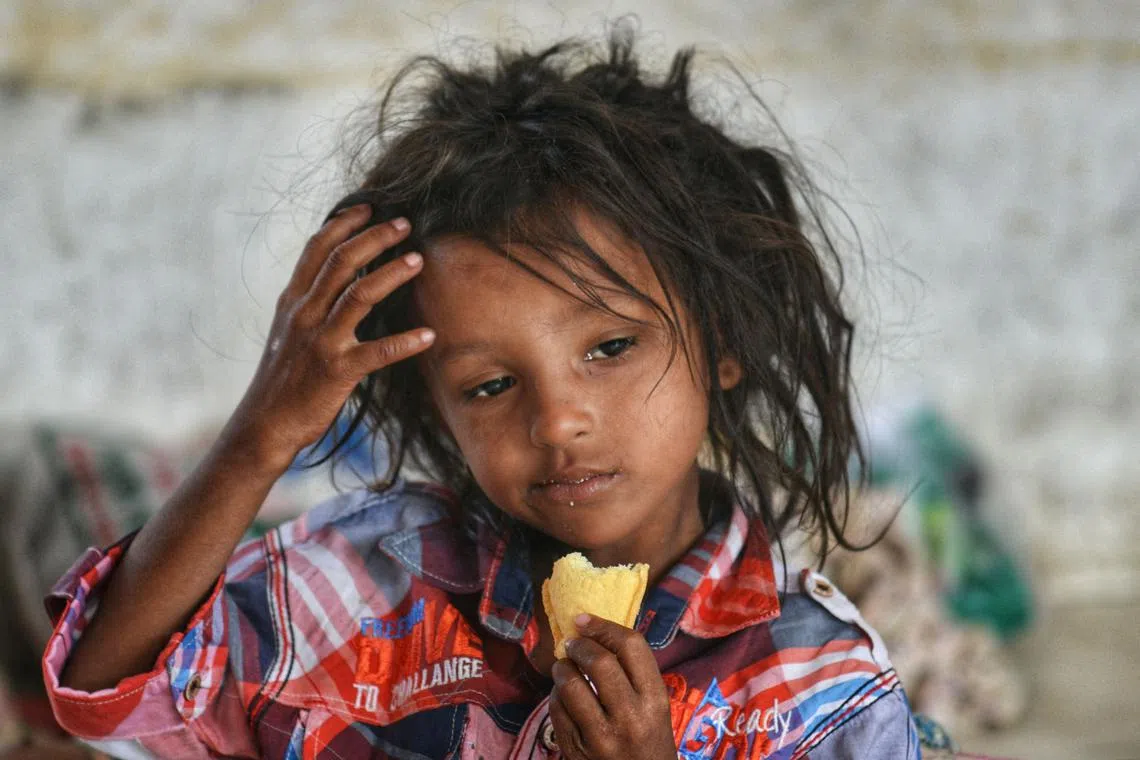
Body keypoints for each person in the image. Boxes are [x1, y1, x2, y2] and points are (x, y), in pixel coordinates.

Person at [41, 26, 923, 759]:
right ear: (436, 406)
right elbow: (109, 694)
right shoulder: (373, 583)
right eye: (491, 384)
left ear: (722, 341)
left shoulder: (816, 690)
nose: (558, 421)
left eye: (609, 346)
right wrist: (260, 438)